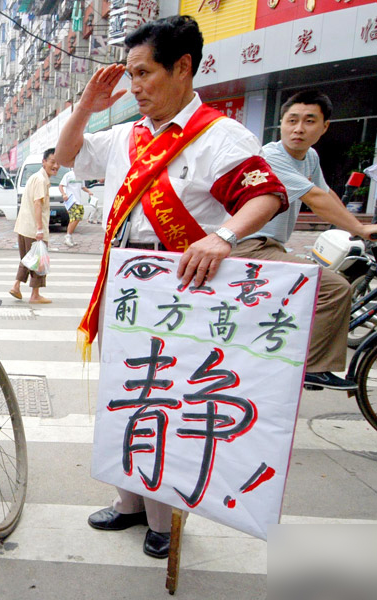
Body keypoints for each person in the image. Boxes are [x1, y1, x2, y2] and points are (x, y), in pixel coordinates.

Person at [52, 15, 287, 559]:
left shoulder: (219, 135)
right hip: (125, 282)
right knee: (123, 393)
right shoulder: (128, 135)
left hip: (181, 288)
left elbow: (266, 194)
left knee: (165, 399)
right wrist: (86, 107)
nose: (134, 86)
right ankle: (130, 501)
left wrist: (223, 237)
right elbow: (66, 157)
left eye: (144, 73)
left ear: (182, 68)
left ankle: (165, 517)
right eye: (130, 74)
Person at [233, 91, 377, 390]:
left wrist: (355, 226)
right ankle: (312, 367)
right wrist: (361, 229)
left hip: (272, 246)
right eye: (292, 121)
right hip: (248, 245)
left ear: (325, 127)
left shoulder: (309, 157)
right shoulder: (271, 156)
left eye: (309, 121)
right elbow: (314, 198)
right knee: (334, 288)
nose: (298, 129)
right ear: (281, 124)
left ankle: (287, 359)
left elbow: (326, 193)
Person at [10, 148, 56, 304]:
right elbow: (37, 204)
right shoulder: (41, 180)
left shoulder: (35, 177)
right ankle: (35, 295)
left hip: (24, 227)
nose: (55, 166)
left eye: (57, 163)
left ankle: (16, 286)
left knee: (28, 259)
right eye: (52, 162)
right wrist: (40, 229)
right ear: (44, 162)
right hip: (33, 229)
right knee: (38, 261)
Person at [60, 168, 93, 247]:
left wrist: (88, 191)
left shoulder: (81, 176)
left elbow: (82, 187)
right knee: (75, 218)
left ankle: (69, 236)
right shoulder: (68, 175)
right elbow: (61, 186)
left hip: (78, 201)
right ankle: (68, 236)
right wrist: (64, 194)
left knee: (76, 218)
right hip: (71, 201)